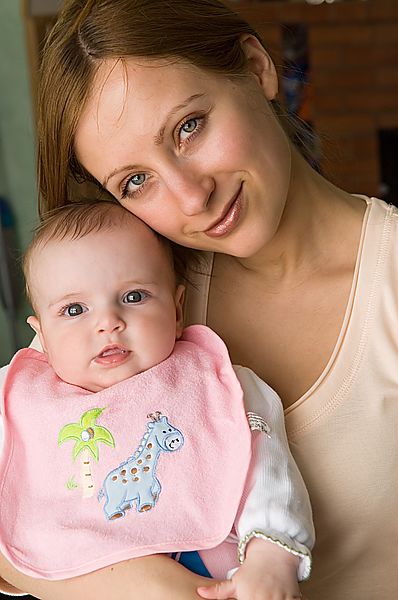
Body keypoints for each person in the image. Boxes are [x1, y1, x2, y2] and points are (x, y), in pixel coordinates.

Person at [1, 0, 398, 598]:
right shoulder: (127, 293)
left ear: (256, 65)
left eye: (189, 126)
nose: (191, 197)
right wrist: (150, 586)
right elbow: (19, 536)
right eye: (136, 181)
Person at [0, 200, 314, 599]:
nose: (107, 322)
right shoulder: (20, 404)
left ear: (177, 309)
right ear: (41, 335)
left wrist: (272, 555)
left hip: (215, 581)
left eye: (133, 297)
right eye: (74, 309)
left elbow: (268, 470)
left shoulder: (217, 384)